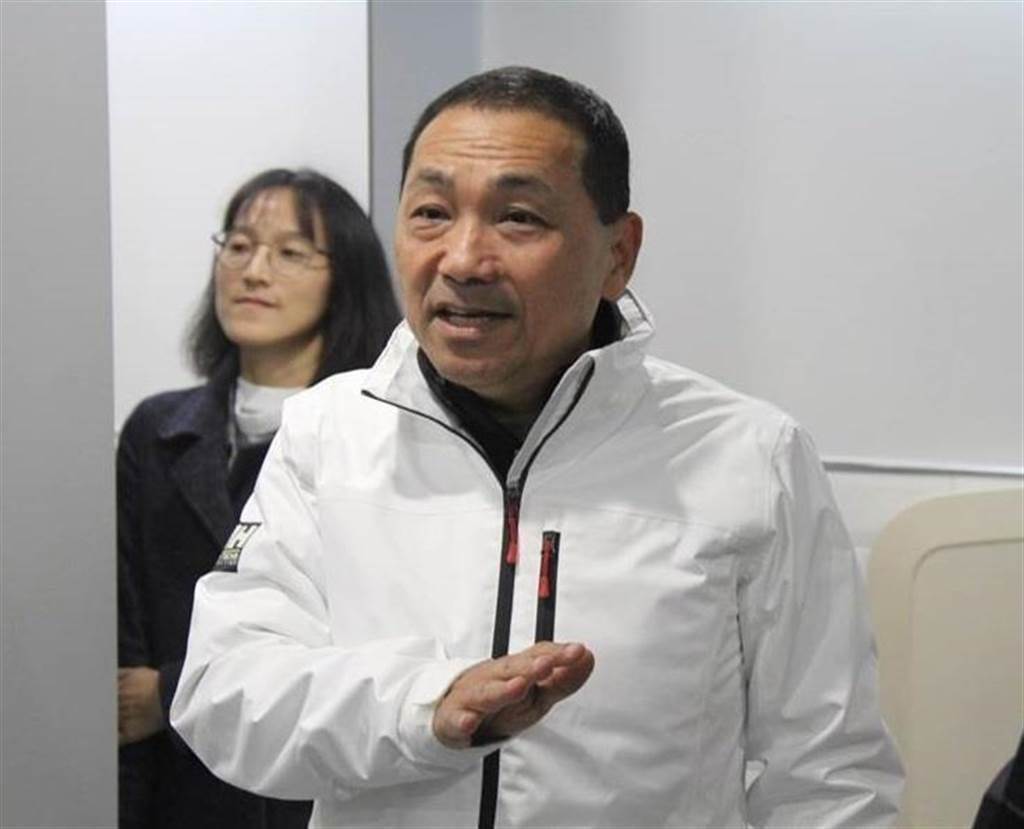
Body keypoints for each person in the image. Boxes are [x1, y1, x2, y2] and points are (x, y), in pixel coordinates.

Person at [170, 69, 904, 827]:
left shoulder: (751, 458)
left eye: (517, 218)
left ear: (618, 253)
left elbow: (829, 777)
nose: (462, 259)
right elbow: (226, 694)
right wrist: (427, 709)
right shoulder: (329, 433)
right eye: (430, 213)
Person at [117, 168, 400, 829]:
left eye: (290, 252)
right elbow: (126, 632)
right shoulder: (157, 431)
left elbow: (369, 637)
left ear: (345, 278)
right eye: (239, 246)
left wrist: (169, 690)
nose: (254, 271)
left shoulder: (379, 433)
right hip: (179, 794)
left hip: (321, 784)